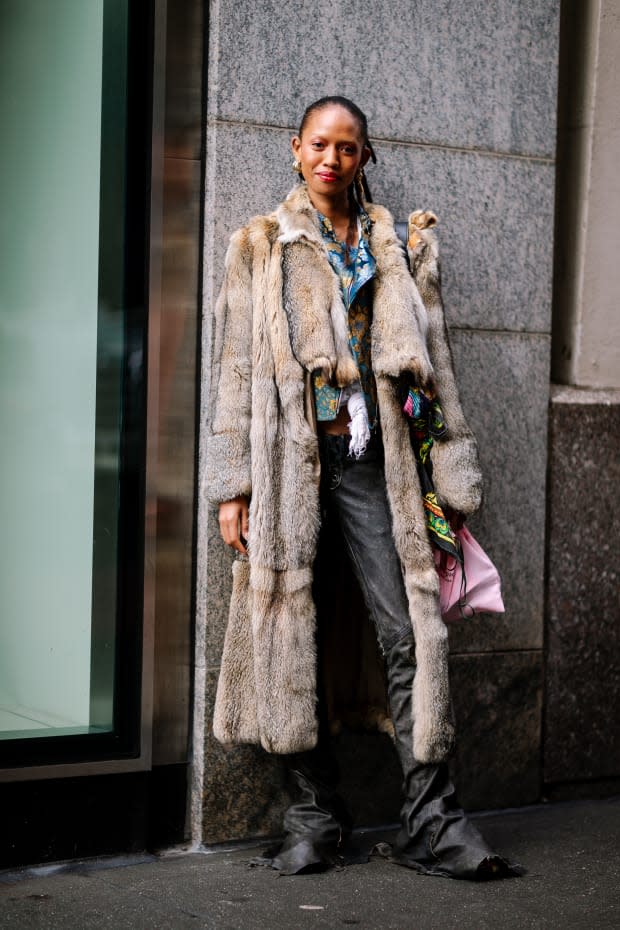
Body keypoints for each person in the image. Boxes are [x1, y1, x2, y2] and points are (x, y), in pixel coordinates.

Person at [206, 96, 516, 879]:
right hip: (289, 468)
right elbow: (236, 369)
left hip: (379, 470)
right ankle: (314, 816)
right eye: (319, 144)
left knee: (410, 635)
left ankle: (431, 821)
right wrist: (232, 485)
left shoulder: (391, 245)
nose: (331, 159)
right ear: (295, 149)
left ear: (365, 156)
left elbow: (432, 364)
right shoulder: (261, 244)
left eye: (347, 148)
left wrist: (449, 467)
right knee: (290, 638)